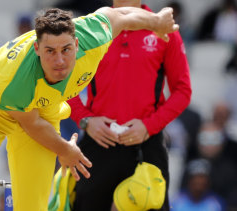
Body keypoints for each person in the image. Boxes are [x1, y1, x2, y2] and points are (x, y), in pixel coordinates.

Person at [0, 6, 179, 211]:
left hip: (43, 109)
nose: (60, 60)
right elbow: (31, 125)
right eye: (50, 51)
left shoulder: (92, 37)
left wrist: (156, 22)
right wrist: (64, 149)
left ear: (77, 44)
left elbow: (119, 15)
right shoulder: (17, 76)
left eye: (66, 49)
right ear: (37, 49)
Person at [67, 0, 191, 210]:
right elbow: (64, 84)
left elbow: (182, 91)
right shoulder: (93, 28)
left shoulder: (164, 29)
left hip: (146, 143)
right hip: (99, 141)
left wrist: (149, 126)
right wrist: (85, 120)